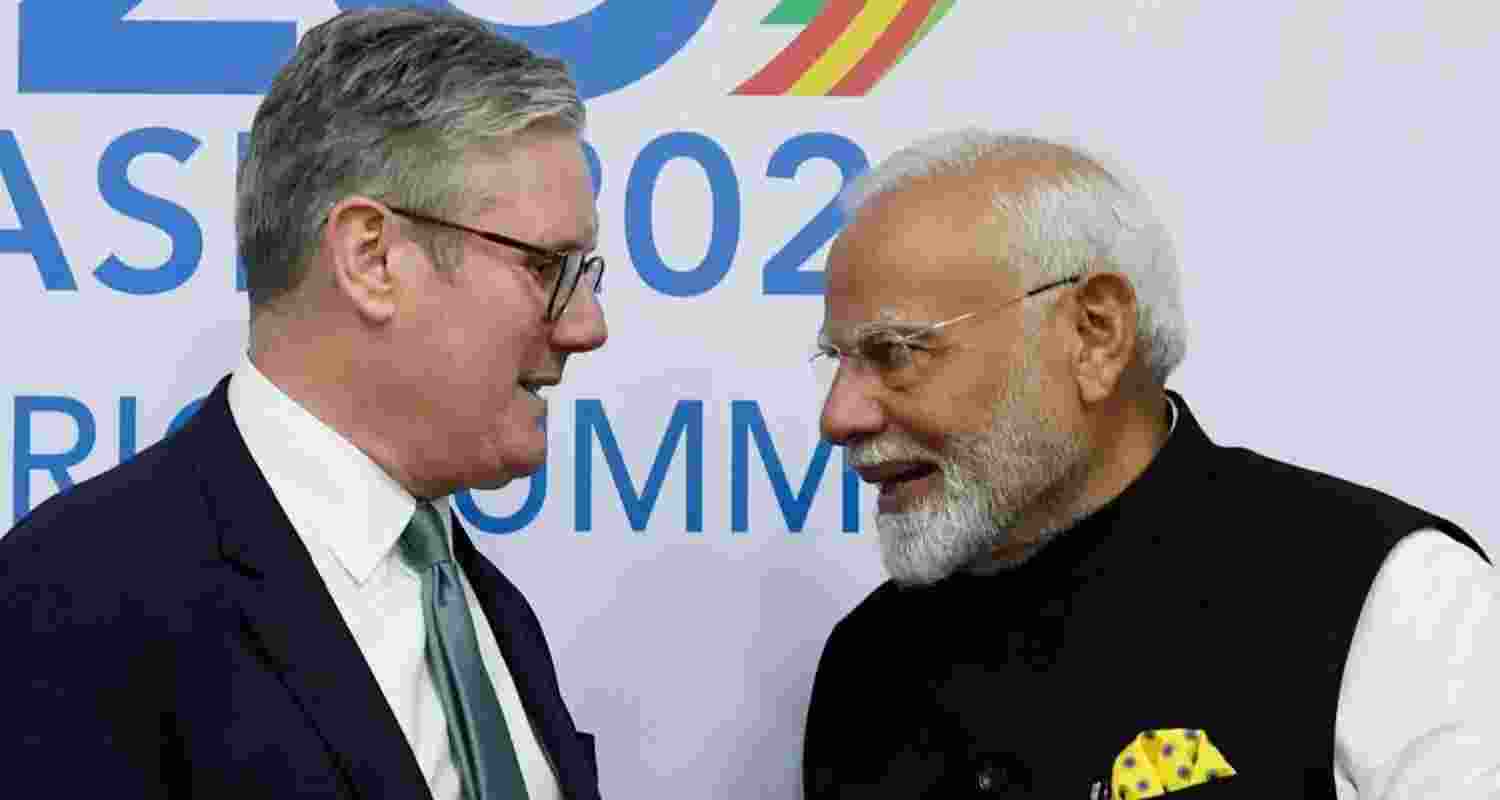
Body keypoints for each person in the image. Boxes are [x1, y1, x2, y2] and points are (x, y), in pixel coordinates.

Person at [0, 8, 606, 799]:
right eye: (546, 268)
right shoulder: (77, 602)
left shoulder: (490, 616)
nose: (587, 326)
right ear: (371, 258)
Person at [801, 130, 1499, 798]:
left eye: (896, 351)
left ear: (1094, 335)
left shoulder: (1391, 598)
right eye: (839, 360)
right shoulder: (867, 667)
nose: (840, 416)